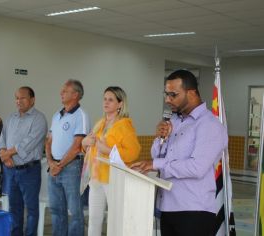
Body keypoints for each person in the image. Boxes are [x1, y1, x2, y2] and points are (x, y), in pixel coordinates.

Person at [131, 69, 228, 236]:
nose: (168, 100)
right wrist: (160, 138)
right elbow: (157, 155)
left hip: (194, 211)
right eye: (166, 94)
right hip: (168, 206)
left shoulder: (209, 125)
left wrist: (155, 164)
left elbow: (196, 167)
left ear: (191, 93)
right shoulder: (174, 121)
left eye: (173, 95)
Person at [82, 86, 141, 236]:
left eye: (111, 100)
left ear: (120, 104)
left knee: (115, 220)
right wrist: (84, 144)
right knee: (94, 220)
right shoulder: (100, 123)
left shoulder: (125, 125)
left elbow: (133, 153)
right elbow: (92, 149)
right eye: (104, 99)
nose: (106, 102)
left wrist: (107, 150)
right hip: (95, 179)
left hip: (113, 179)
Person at [0, 86, 48, 236]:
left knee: (31, 209)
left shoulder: (39, 119)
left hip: (29, 171)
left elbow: (28, 143)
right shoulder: (11, 118)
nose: (19, 101)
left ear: (32, 100)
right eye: (16, 98)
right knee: (14, 208)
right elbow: (1, 141)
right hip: (11, 170)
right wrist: (5, 157)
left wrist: (7, 154)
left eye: (22, 98)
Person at [45, 79, 90, 236]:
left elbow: (77, 146)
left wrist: (60, 165)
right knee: (57, 210)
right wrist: (51, 163)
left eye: (65, 91)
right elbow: (48, 141)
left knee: (75, 212)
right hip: (54, 167)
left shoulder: (81, 116)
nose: (61, 93)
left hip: (71, 168)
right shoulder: (56, 115)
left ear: (76, 95)